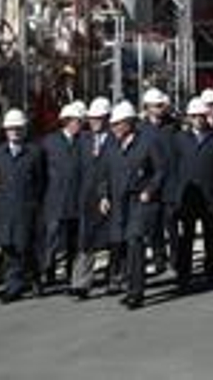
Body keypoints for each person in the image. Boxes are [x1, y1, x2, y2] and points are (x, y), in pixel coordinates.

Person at [107, 100, 165, 310]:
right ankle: (131, 285)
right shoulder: (112, 144)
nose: (113, 128)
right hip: (120, 201)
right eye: (112, 125)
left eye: (117, 124)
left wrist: (149, 190)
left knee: (135, 241)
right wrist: (104, 195)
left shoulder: (148, 142)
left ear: (128, 123)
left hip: (140, 200)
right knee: (126, 243)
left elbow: (160, 170)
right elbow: (106, 173)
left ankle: (136, 293)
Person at [172, 96, 213, 290]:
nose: (198, 119)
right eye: (194, 116)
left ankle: (211, 270)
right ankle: (184, 275)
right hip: (188, 197)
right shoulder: (179, 139)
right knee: (186, 237)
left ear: (206, 116)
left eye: (201, 116)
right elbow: (175, 168)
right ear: (188, 118)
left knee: (211, 235)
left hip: (211, 195)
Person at [0, 108, 46, 302]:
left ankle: (34, 277)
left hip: (27, 207)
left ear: (24, 130)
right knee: (8, 247)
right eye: (10, 129)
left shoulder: (34, 152)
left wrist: (35, 205)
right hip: (6, 208)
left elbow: (41, 181)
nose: (14, 132)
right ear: (5, 131)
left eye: (17, 128)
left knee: (25, 247)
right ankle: (13, 286)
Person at [72, 98, 117, 300]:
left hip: (110, 197)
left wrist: (107, 193)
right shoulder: (83, 140)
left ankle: (114, 279)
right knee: (85, 241)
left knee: (113, 240)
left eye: (99, 118)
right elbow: (78, 170)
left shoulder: (116, 139)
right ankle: (81, 283)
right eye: (91, 118)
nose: (95, 122)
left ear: (108, 118)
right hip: (87, 198)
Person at [39, 101, 85, 292]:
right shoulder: (49, 142)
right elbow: (41, 171)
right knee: (52, 239)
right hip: (55, 200)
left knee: (73, 240)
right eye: (77, 121)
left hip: (76, 200)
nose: (80, 124)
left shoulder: (83, 141)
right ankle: (47, 272)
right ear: (66, 121)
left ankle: (70, 274)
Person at [141, 88, 179, 276]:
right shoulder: (141, 129)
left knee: (171, 224)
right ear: (147, 107)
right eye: (155, 106)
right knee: (153, 226)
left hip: (171, 182)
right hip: (152, 185)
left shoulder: (173, 125)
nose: (159, 109)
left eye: (161, 105)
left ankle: (175, 259)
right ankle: (159, 259)